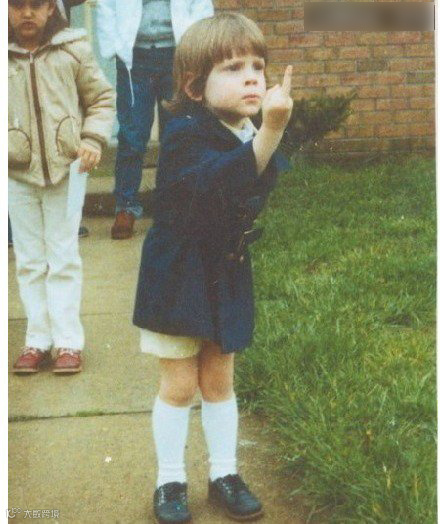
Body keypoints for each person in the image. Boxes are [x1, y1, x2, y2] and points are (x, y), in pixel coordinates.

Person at [132, 12, 292, 523]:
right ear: (195, 87)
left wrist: (267, 133)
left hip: (224, 273)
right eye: (233, 68)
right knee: (180, 385)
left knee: (220, 380)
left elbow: (261, 180)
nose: (252, 78)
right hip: (178, 277)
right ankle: (169, 480)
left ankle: (225, 472)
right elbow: (215, 184)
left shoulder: (247, 130)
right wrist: (270, 131)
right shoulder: (183, 133)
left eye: (258, 66)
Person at [9, 0, 115, 374]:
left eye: (36, 4)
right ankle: (37, 339)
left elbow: (101, 98)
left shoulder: (73, 48)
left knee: (63, 257)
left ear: (52, 8)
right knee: (29, 261)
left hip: (64, 171)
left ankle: (68, 341)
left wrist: (92, 139)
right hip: (16, 173)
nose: (26, 13)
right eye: (17, 5)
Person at [96, 0, 214, 240]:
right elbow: (106, 6)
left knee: (178, 134)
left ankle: (174, 206)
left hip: (177, 56)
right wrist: (114, 46)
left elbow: (201, 7)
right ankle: (125, 207)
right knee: (132, 135)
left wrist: (194, 46)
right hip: (134, 58)